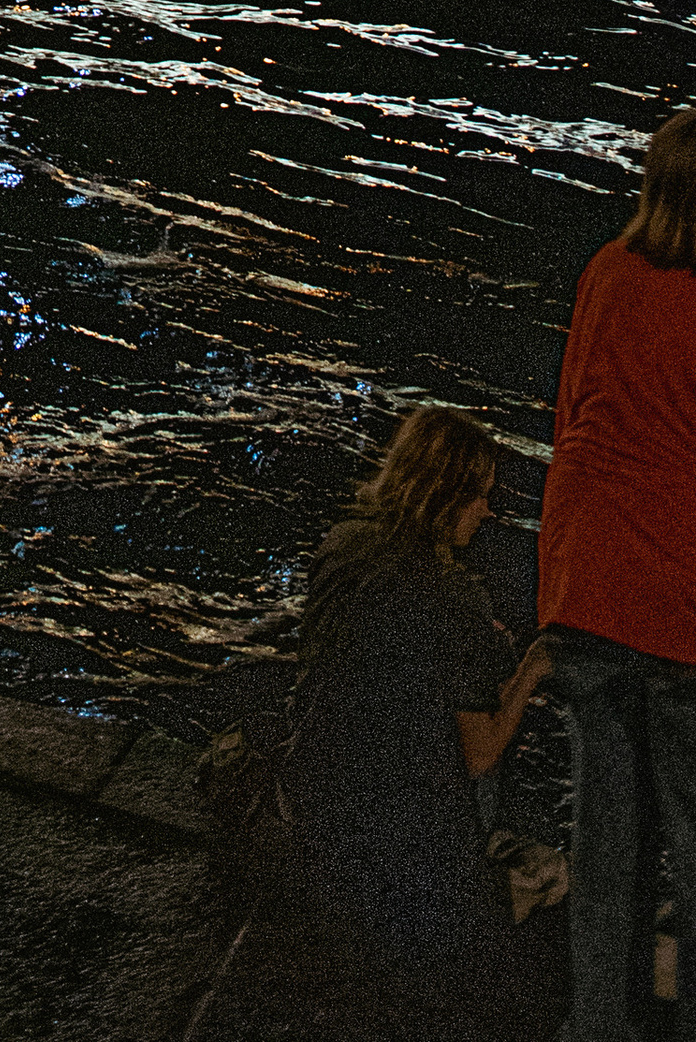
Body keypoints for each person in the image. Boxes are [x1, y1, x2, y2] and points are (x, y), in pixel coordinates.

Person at [538, 102, 696, 1042]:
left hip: (586, 587)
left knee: (611, 850)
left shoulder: (606, 272)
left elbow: (574, 415)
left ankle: (597, 1030)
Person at [280, 406, 558, 1038]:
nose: (487, 512)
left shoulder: (343, 545)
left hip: (313, 798)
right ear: (445, 496)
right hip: (394, 845)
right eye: (480, 498)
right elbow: (481, 751)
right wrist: (531, 669)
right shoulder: (450, 596)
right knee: (491, 735)